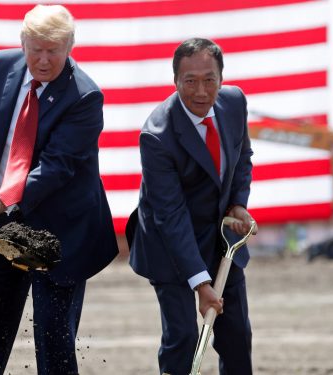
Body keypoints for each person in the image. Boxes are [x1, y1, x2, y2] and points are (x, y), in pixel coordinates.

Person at [0, 4, 118, 374]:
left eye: (53, 50)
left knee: (54, 340)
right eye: (36, 49)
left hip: (58, 232)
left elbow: (55, 168)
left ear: (70, 46)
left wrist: (1, 201)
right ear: (22, 42)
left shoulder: (85, 97)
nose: (44, 60)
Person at [126, 38, 256, 375]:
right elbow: (170, 214)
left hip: (220, 242)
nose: (201, 91)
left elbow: (241, 156)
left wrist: (238, 204)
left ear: (221, 79)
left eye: (209, 80)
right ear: (175, 81)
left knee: (237, 337)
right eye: (190, 81)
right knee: (182, 338)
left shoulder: (234, 103)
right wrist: (201, 284)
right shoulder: (157, 135)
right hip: (169, 245)